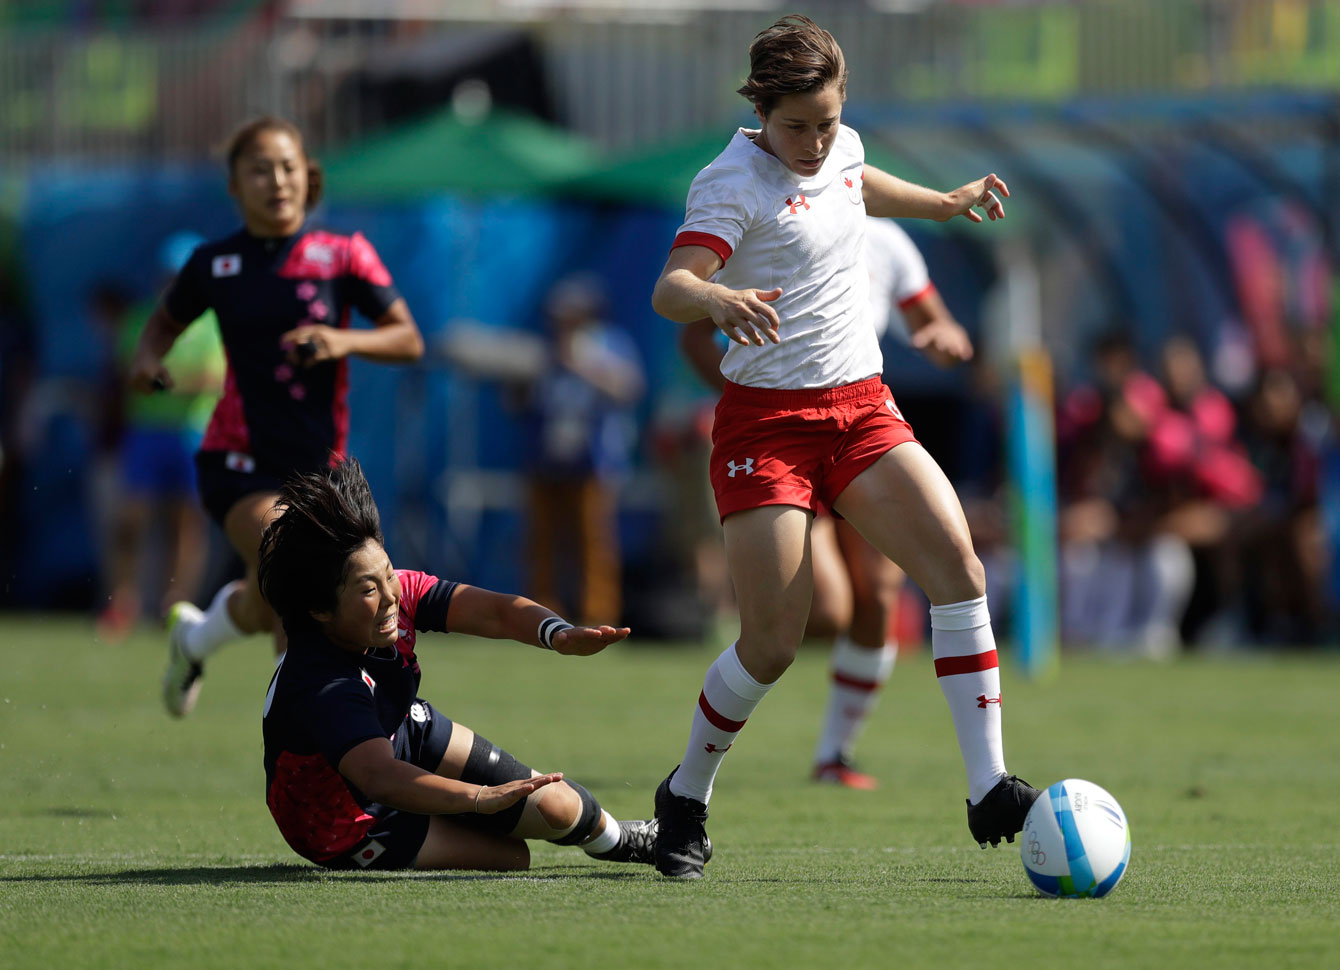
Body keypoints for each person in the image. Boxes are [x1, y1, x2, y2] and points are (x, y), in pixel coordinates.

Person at [647, 14, 1037, 879]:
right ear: (761, 110)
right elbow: (671, 287)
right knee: (774, 642)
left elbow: (860, 180)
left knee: (959, 573)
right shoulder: (729, 182)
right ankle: (686, 793)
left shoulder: (842, 147)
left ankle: (989, 789)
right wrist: (715, 302)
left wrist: (944, 202)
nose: (818, 141)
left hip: (862, 409)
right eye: (799, 126)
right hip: (767, 426)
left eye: (828, 120)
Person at [128, 115, 425, 717]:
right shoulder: (216, 263)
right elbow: (163, 323)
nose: (276, 180)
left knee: (273, 600)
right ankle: (310, 729)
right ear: (234, 185)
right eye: (258, 169)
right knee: (292, 558)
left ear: (307, 177)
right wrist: (147, 358)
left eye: (287, 167)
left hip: (319, 472)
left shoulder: (344, 255)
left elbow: (408, 339)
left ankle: (193, 639)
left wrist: (343, 342)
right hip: (237, 460)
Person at [679, 216, 975, 790]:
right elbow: (690, 332)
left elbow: (932, 319)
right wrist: (743, 398)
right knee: (826, 611)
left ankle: (836, 755)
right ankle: (695, 775)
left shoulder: (889, 242)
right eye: (804, 129)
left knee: (882, 596)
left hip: (859, 424)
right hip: (780, 437)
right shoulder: (765, 220)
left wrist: (946, 339)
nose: (820, 150)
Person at [259, 456, 663, 871]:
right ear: (321, 610)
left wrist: (556, 633)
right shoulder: (323, 683)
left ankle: (630, 840)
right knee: (511, 857)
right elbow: (378, 778)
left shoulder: (398, 597)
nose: (391, 597)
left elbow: (495, 611)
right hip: (349, 823)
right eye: (368, 589)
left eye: (388, 575)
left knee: (556, 808)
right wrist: (474, 798)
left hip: (399, 733)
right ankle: (438, 816)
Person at [97, 233, 226, 641]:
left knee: (186, 523)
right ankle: (123, 602)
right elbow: (130, 373)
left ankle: (177, 605)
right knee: (131, 519)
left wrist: (162, 379)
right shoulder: (142, 318)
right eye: (170, 276)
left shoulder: (213, 324)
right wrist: (167, 380)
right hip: (146, 434)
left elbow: (212, 378)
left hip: (192, 434)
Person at [516, 274, 644, 625]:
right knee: (541, 544)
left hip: (593, 460)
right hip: (545, 457)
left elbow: (628, 388)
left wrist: (581, 366)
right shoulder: (544, 348)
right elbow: (522, 403)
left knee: (594, 544)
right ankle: (540, 614)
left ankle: (597, 615)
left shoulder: (610, 344)